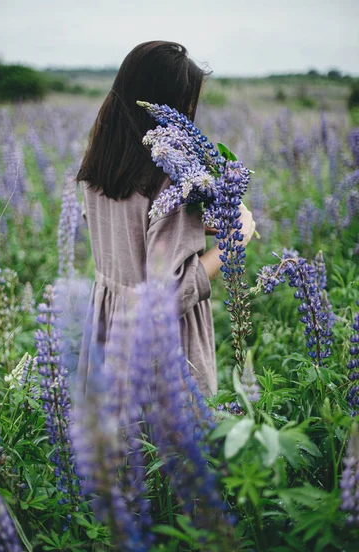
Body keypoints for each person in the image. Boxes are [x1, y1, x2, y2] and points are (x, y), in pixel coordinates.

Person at [76, 40, 255, 397]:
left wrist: (193, 225)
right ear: (169, 106)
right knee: (170, 449)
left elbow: (124, 232)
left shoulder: (101, 163)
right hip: (163, 352)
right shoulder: (171, 177)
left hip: (109, 331)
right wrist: (235, 240)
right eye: (189, 102)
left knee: (120, 446)